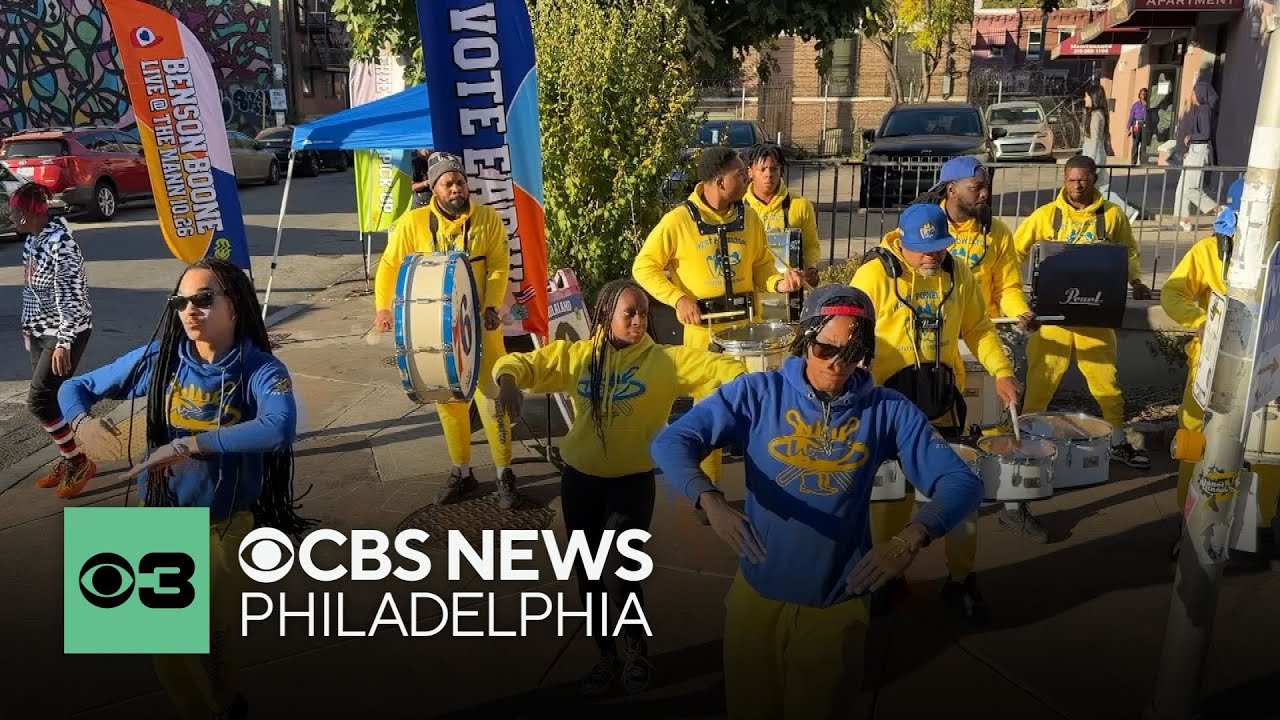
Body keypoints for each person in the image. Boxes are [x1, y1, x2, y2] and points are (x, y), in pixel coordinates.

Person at [650, 284, 984, 720]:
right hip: (756, 595)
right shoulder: (756, 394)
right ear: (806, 338)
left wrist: (910, 539)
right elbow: (672, 442)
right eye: (827, 348)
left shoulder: (887, 410)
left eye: (856, 351)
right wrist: (709, 500)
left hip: (837, 602)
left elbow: (962, 482)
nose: (839, 364)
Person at [58, 258, 313, 720]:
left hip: (224, 527)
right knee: (166, 643)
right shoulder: (159, 359)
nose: (190, 310)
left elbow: (279, 428)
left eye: (203, 299)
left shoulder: (261, 368)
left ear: (234, 305)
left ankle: (226, 702)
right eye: (181, 301)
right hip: (156, 521)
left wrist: (190, 444)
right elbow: (74, 386)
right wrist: (82, 423)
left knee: (213, 640)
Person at [492, 278, 747, 697]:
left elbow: (721, 368)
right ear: (604, 316)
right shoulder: (577, 357)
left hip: (632, 483)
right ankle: (605, 657)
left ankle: (636, 653)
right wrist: (507, 381)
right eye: (629, 313)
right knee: (589, 575)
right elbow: (525, 365)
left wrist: (743, 387)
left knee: (623, 573)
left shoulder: (663, 362)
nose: (639, 320)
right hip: (580, 481)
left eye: (643, 312)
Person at [852, 202, 1021, 624]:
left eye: (940, 247)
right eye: (923, 249)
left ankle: (961, 580)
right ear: (901, 241)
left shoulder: (958, 273)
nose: (932, 256)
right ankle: (887, 577)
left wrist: (1001, 372)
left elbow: (978, 328)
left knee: (959, 496)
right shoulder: (873, 275)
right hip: (888, 406)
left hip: (942, 404)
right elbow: (850, 332)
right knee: (889, 499)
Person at [633, 146, 803, 513]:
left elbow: (759, 270)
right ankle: (707, 498)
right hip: (704, 335)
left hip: (747, 331)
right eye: (741, 173)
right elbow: (643, 267)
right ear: (718, 180)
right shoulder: (678, 221)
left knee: (755, 410)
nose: (748, 178)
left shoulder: (750, 218)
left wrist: (778, 284)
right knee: (710, 414)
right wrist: (677, 298)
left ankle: (766, 491)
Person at [374, 152, 520, 508]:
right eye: (447, 183)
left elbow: (500, 266)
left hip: (483, 330)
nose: (456, 188)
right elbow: (390, 264)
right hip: (436, 335)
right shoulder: (413, 223)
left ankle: (504, 473)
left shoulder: (487, 219)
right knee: (449, 401)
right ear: (434, 189)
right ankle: (463, 471)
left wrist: (491, 305)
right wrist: (382, 308)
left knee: (492, 398)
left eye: (460, 182)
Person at [913, 156, 1048, 543]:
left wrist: (1020, 312)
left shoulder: (998, 232)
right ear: (951, 189)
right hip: (934, 333)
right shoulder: (925, 224)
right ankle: (923, 500)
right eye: (978, 187)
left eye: (987, 186)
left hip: (982, 333)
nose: (986, 194)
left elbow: (1007, 287)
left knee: (1004, 414)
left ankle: (1013, 503)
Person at [1160, 179, 1280, 557]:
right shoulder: (1209, 251)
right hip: (1211, 370)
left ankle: (1260, 526)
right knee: (1197, 442)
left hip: (1268, 369)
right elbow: (1173, 292)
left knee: (1266, 447)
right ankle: (1190, 522)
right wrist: (1199, 320)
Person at [1013, 155, 1153, 468]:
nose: (1077, 185)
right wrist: (1016, 300)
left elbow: (1128, 250)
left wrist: (1135, 280)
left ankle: (1118, 441)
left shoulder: (1112, 216)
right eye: (1072, 179)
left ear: (1094, 179)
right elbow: (1014, 252)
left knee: (1106, 384)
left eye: (1083, 179)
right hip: (1052, 317)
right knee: (1041, 381)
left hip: (1095, 314)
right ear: (1064, 180)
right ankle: (1024, 444)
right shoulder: (1047, 215)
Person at [14, 182, 96, 499]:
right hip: (39, 330)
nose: (14, 214)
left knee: (37, 400)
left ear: (34, 212)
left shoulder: (61, 245)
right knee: (50, 401)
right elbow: (31, 290)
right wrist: (28, 328)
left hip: (67, 331)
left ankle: (78, 461)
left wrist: (64, 341)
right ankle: (68, 458)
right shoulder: (32, 241)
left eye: (19, 210)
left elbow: (72, 298)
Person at [743, 143, 821, 307]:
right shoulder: (738, 206)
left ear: (781, 171)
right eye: (762, 169)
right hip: (751, 294)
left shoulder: (800, 205)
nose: (768, 175)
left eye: (774, 169)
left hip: (788, 294)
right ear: (750, 171)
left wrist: (809, 269)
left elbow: (811, 245)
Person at [1082, 84, 1141, 223]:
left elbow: (1095, 140)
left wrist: (1089, 161)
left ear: (1093, 97)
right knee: (1099, 189)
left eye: (1086, 96)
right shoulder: (1098, 114)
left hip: (1094, 156)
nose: (1084, 99)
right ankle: (1096, 215)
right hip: (1096, 155)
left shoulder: (1096, 115)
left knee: (1099, 189)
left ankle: (1128, 211)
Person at [1172, 82, 1221, 232]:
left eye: (1193, 93)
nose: (1191, 96)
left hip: (1199, 151)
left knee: (1191, 188)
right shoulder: (1199, 110)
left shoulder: (1204, 111)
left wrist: (1191, 137)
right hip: (1194, 150)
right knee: (1182, 187)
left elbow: (1205, 134)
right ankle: (1182, 219)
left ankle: (1217, 209)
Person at [1128, 88, 1150, 165]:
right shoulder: (1136, 105)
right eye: (1142, 93)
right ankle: (1133, 162)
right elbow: (1131, 116)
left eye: (1145, 94)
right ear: (1139, 95)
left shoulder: (1148, 105)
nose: (1143, 95)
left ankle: (1142, 162)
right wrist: (1128, 128)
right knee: (1135, 143)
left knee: (1143, 144)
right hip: (1136, 124)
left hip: (1145, 125)